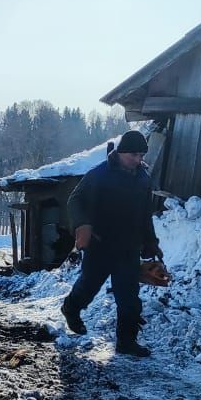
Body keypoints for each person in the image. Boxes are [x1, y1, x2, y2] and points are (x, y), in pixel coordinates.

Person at [60, 129, 162, 356]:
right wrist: (82, 225)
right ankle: (71, 308)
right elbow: (75, 200)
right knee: (88, 286)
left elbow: (145, 215)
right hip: (100, 245)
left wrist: (151, 242)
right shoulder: (100, 175)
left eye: (141, 155)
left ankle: (126, 342)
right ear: (121, 152)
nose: (138, 160)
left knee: (129, 298)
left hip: (129, 248)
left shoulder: (143, 180)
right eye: (133, 155)